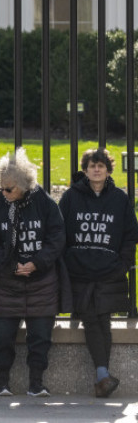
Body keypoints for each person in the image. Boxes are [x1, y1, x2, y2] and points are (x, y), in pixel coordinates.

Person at [0, 147, 66, 397]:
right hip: (7, 283)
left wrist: (37, 262)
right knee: (2, 338)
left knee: (40, 338)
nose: (4, 193)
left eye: (9, 188)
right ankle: (2, 383)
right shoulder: (0, 204)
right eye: (1, 188)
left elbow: (57, 236)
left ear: (24, 185)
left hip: (41, 283)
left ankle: (36, 384)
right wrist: (7, 263)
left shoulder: (44, 203)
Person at [58, 147, 138, 398]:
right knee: (93, 318)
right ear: (85, 170)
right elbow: (58, 231)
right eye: (92, 165)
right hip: (79, 270)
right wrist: (67, 261)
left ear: (108, 169)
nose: (96, 169)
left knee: (102, 319)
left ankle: (102, 375)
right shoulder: (71, 196)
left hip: (108, 270)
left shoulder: (119, 199)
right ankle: (102, 375)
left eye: (100, 166)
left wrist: (123, 262)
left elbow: (130, 233)